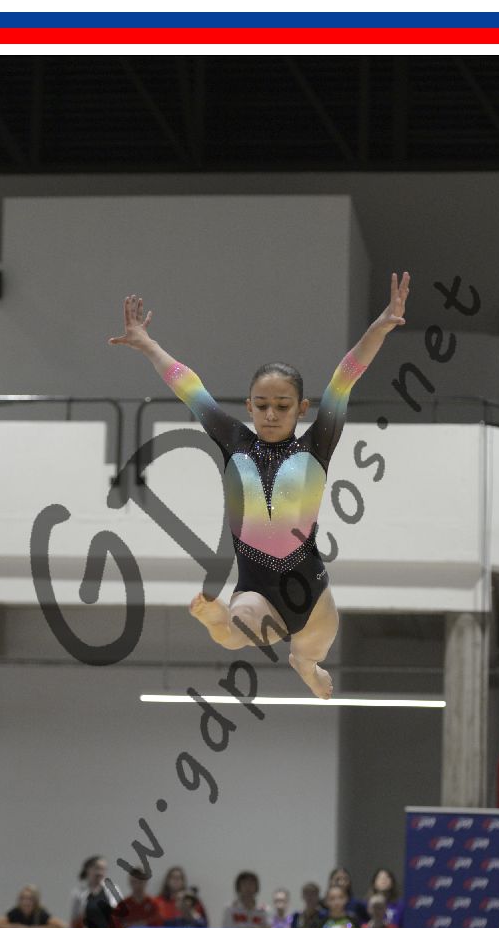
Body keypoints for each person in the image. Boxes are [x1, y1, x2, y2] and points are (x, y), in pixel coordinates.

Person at [108, 275, 410, 699]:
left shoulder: (318, 443)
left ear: (302, 409)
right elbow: (189, 387)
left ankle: (305, 664)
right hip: (254, 586)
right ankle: (217, 618)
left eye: (283, 406)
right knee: (239, 627)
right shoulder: (233, 440)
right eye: (262, 405)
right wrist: (148, 345)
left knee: (313, 646)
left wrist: (378, 328)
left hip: (311, 589)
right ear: (249, 406)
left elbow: (344, 378)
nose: (271, 414)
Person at [0, 885, 67, 928]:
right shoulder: (15, 912)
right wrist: (16, 927)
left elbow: (62, 926)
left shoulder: (40, 913)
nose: (26, 902)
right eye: (23, 899)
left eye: (29, 899)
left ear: (35, 901)